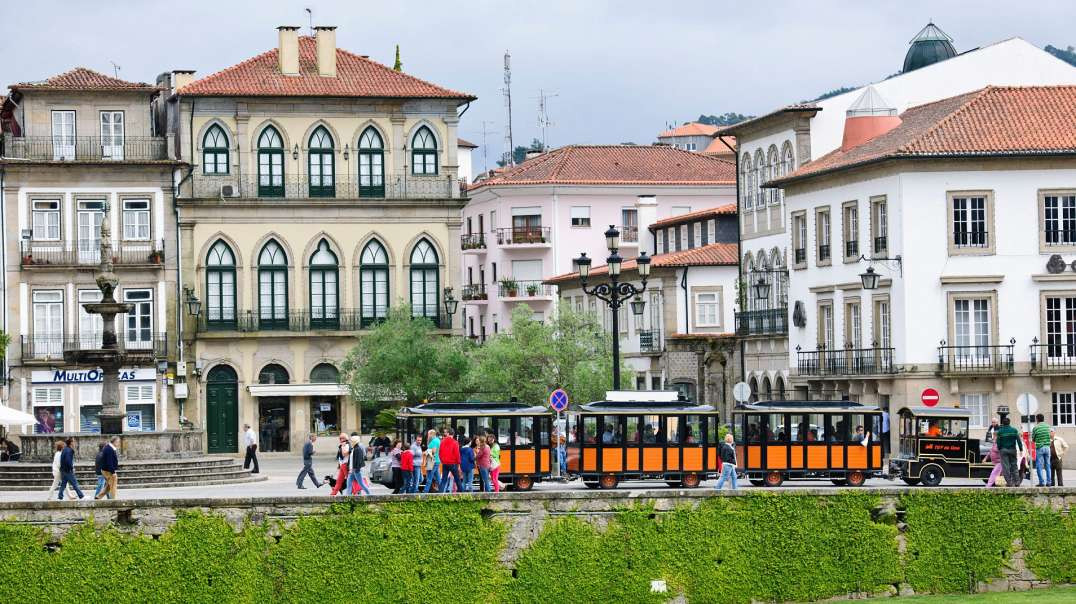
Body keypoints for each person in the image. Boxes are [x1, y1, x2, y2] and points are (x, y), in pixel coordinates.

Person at [995, 417, 1023, 488]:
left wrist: (999, 449)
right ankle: (1017, 482)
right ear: (1009, 422)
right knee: (1014, 466)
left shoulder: (1000, 431)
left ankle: (1009, 483)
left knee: (1006, 467)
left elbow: (998, 442)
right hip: (1013, 450)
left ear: (1003, 423)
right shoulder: (1014, 430)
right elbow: (1018, 440)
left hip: (1003, 450)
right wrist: (1021, 449)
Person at [438, 427, 462, 494]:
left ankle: (439, 495)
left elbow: (440, 453)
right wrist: (458, 463)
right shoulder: (455, 442)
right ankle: (463, 494)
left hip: (445, 463)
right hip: (453, 463)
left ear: (448, 433)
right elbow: (457, 454)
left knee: (444, 480)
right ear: (453, 434)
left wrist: (442, 461)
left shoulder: (442, 442)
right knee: (457, 479)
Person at [1032, 414, 1053, 487]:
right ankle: (1049, 482)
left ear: (1037, 419)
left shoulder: (1036, 427)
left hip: (1040, 447)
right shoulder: (1048, 426)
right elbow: (1051, 436)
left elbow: (1033, 439)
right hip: (1047, 447)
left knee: (1039, 466)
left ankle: (1041, 482)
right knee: (1048, 465)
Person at [423, 429, 441, 494]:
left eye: (428, 434)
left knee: (429, 477)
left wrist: (426, 452)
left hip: (432, 461)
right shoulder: (437, 440)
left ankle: (425, 492)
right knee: (438, 478)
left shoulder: (434, 441)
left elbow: (433, 451)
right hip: (436, 460)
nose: (428, 436)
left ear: (431, 434)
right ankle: (442, 490)